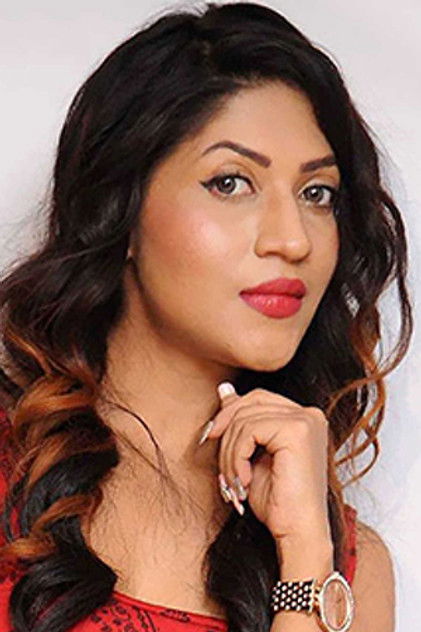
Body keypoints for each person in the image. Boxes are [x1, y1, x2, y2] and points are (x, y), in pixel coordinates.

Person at [0, 2, 413, 631]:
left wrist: (305, 558)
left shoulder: (344, 568)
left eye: (317, 193)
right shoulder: (15, 475)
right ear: (120, 210)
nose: (293, 240)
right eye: (230, 182)